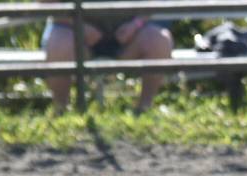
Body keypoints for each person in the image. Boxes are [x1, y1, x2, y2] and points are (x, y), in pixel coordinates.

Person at [40, 0, 174, 113]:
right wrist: (79, 26)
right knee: (59, 42)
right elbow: (47, 3)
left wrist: (135, 25)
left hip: (130, 38)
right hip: (76, 35)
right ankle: (61, 110)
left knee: (159, 40)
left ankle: (145, 109)